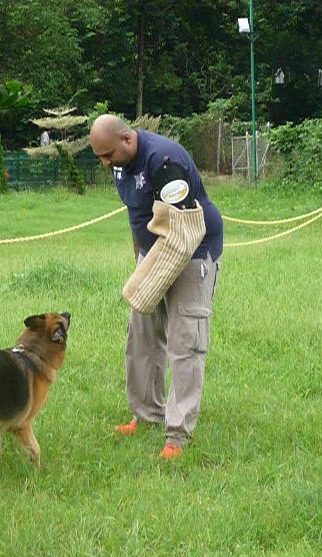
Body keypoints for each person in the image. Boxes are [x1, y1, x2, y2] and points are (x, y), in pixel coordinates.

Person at [89, 114, 222, 459]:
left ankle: (177, 435)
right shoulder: (121, 162)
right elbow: (137, 216)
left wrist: (158, 279)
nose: (104, 164)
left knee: (185, 340)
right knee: (142, 334)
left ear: (127, 141)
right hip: (153, 252)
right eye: (99, 157)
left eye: (107, 155)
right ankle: (146, 413)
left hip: (192, 251)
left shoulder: (164, 161)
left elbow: (182, 229)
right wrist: (140, 264)